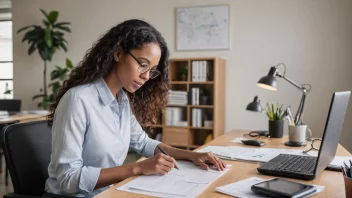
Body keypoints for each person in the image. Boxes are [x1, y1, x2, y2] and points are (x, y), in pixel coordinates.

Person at [44, 19, 226, 197]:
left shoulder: (121, 99)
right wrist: (137, 167)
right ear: (118, 53)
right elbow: (68, 179)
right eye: (142, 64)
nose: (146, 76)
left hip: (108, 192)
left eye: (152, 69)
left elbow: (144, 143)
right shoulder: (78, 99)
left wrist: (191, 155)